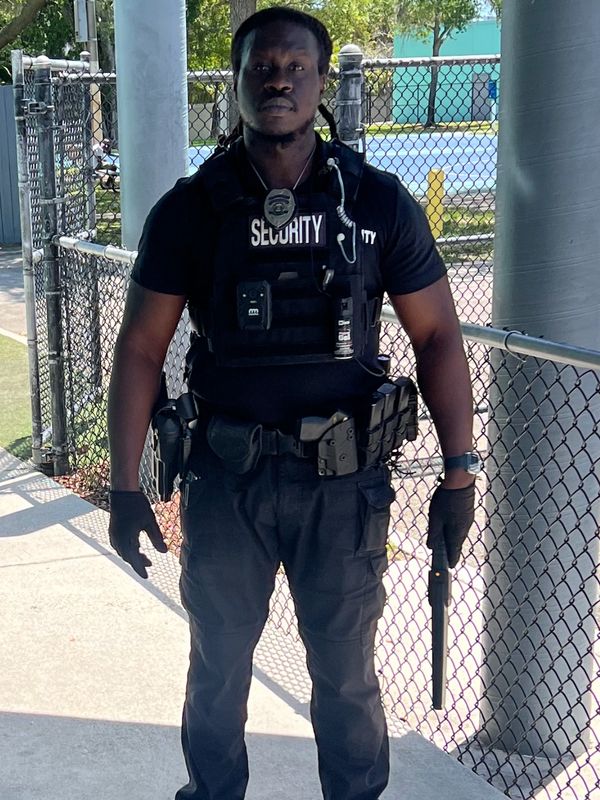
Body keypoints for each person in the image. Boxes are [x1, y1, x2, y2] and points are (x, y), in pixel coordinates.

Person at [107, 7, 478, 800]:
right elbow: (139, 348)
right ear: (236, 85)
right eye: (259, 67)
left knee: (346, 682)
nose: (277, 78)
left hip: (341, 491)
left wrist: (461, 470)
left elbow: (439, 336)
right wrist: (125, 485)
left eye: (294, 66)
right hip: (226, 483)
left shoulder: (375, 204)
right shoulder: (191, 210)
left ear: (319, 82)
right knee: (217, 673)